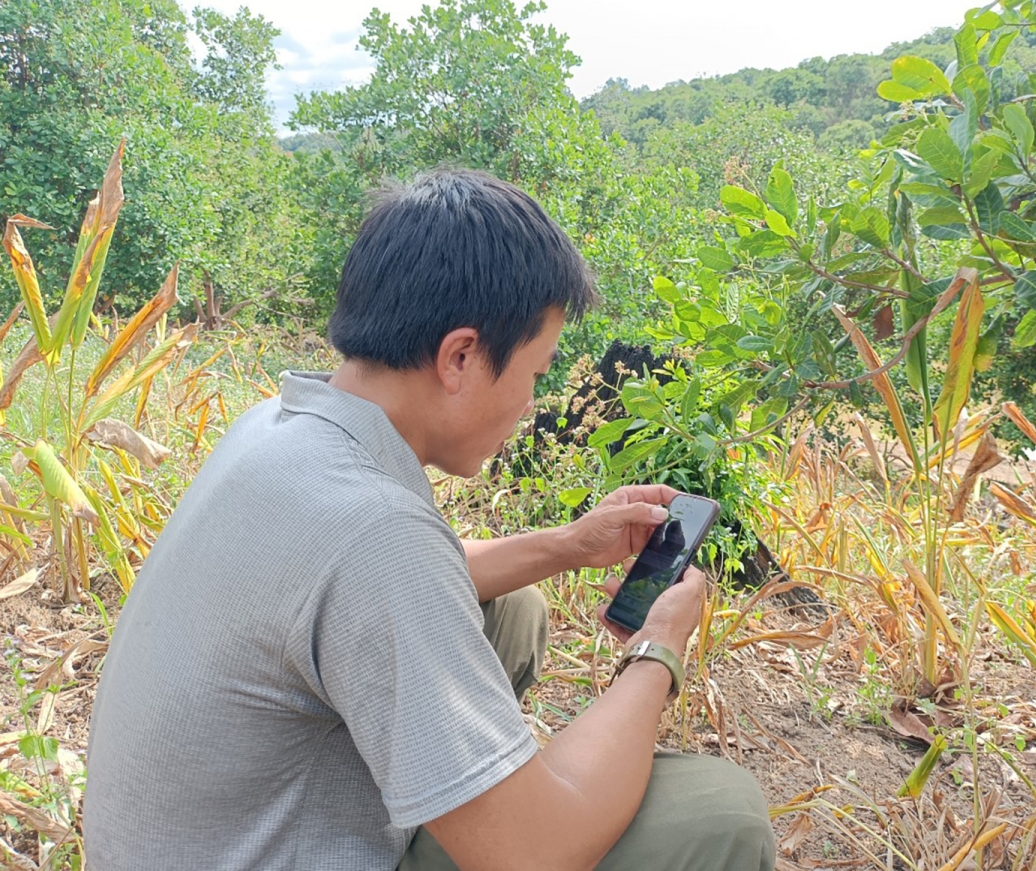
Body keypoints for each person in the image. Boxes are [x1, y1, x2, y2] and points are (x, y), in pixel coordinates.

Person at [84, 168, 776, 870]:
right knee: (721, 813)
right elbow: (535, 853)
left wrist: (569, 544)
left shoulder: (281, 425)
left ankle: (459, 793)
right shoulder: (377, 532)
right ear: (462, 357)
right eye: (536, 373)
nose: (533, 402)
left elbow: (380, 581)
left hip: (185, 840)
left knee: (510, 609)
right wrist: (656, 648)